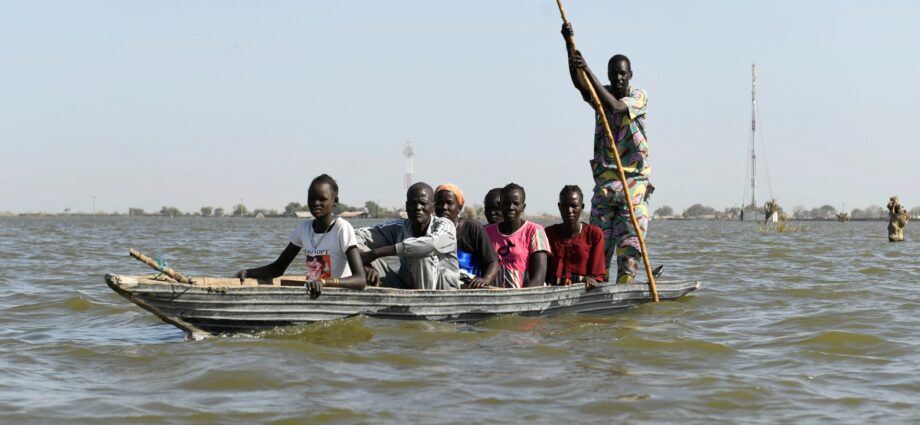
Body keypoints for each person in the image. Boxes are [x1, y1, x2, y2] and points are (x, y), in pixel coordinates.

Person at [563, 23, 652, 284]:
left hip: (633, 183)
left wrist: (587, 69)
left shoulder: (638, 96)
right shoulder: (603, 93)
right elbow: (581, 86)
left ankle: (626, 282)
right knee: (598, 245)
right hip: (605, 182)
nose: (618, 79)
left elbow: (614, 107)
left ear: (630, 74)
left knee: (629, 245)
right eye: (614, 75)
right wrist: (569, 45)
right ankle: (597, 288)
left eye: (622, 74)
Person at [234, 174, 366, 298]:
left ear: (335, 201)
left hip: (337, 295)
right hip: (314, 294)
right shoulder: (304, 228)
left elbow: (360, 280)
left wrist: (324, 282)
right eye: (312, 198)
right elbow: (278, 268)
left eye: (322, 199)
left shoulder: (341, 228)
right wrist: (248, 272)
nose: (316, 203)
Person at [355, 182, 459, 290]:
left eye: (423, 203)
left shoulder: (445, 225)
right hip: (406, 287)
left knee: (421, 252)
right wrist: (365, 263)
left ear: (433, 207)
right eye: (413, 204)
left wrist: (376, 253)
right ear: (406, 206)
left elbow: (432, 244)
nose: (418, 208)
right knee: (354, 249)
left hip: (442, 290)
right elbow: (355, 235)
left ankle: (423, 303)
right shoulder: (399, 227)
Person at [484, 183, 550, 288]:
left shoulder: (534, 231)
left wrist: (518, 298)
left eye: (516, 203)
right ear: (500, 205)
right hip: (494, 297)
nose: (511, 207)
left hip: (524, 298)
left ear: (523, 207)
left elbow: (538, 279)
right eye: (506, 203)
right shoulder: (488, 231)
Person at [434, 183, 499, 288]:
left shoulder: (473, 228)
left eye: (449, 203)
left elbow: (492, 262)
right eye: (440, 203)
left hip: (469, 287)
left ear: (459, 208)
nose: (444, 207)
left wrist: (486, 279)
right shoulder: (431, 229)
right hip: (440, 287)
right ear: (434, 206)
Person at [544, 185, 606, 291]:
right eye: (564, 206)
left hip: (582, 294)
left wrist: (589, 280)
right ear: (559, 206)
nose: (569, 210)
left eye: (574, 206)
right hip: (552, 290)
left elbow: (597, 275)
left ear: (582, 207)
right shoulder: (548, 233)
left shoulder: (593, 234)